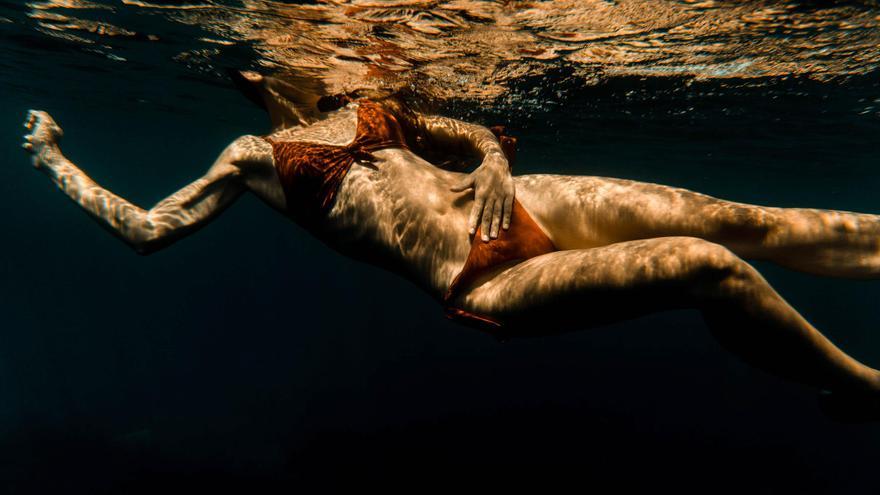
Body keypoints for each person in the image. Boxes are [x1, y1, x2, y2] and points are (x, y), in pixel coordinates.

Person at [21, 71, 880, 420]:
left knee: (739, 219)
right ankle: (864, 388)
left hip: (521, 204)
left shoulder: (373, 99)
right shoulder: (253, 158)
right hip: (480, 277)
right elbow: (147, 230)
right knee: (710, 267)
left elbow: (463, 126)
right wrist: (55, 159)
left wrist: (496, 154)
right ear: (255, 87)